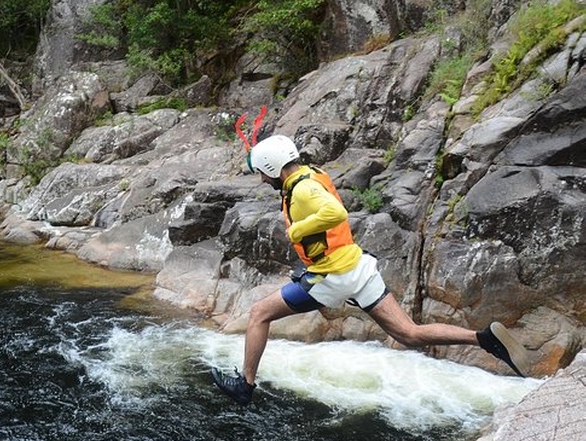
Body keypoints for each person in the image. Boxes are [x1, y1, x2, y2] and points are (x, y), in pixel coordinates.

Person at [211, 135, 531, 406]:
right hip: (356, 267)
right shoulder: (310, 174)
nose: (263, 180)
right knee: (409, 333)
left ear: (271, 168)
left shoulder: (302, 190)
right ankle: (485, 339)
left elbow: (336, 212)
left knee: (259, 314)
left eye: (263, 173)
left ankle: (245, 386)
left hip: (330, 278)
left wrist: (298, 230)